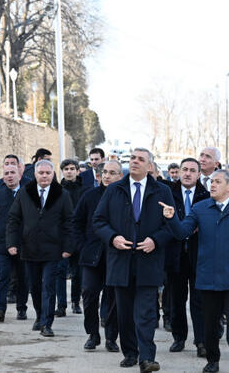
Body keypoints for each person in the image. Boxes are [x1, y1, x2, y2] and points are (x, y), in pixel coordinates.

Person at [93, 147, 179, 372]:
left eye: (141, 159)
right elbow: (99, 221)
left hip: (148, 261)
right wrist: (113, 238)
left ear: (150, 166)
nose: (135, 162)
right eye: (132, 158)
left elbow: (172, 225)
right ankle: (130, 352)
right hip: (120, 261)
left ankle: (147, 358)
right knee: (124, 313)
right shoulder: (114, 190)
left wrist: (156, 241)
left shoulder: (162, 191)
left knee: (146, 313)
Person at [163, 169, 229, 373]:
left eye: (217, 182)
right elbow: (182, 232)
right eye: (211, 182)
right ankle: (212, 361)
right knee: (209, 325)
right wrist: (171, 218)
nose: (211, 185)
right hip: (207, 277)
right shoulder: (199, 208)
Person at [6, 160, 75, 337]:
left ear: (53, 174)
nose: (44, 176)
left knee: (49, 286)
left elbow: (69, 222)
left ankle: (47, 323)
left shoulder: (62, 194)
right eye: (41, 173)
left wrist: (68, 246)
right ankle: (39, 315)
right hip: (30, 248)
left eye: (47, 173)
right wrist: (12, 243)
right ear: (35, 174)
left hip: (53, 249)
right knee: (35, 287)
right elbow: (14, 219)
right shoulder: (25, 193)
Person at [76, 161, 123, 352]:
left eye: (112, 173)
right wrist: (81, 246)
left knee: (113, 299)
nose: (107, 176)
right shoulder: (89, 196)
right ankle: (92, 334)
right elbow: (76, 222)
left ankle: (111, 338)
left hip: (116, 257)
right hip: (91, 256)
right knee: (88, 295)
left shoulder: (124, 197)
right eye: (104, 172)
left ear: (121, 176)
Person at [167, 158, 209, 357]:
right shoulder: (169, 194)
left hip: (199, 255)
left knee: (199, 301)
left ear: (199, 174)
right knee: (176, 298)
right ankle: (179, 337)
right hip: (175, 254)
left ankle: (201, 340)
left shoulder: (206, 196)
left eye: (193, 170)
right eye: (184, 169)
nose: (187, 173)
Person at [0, 163, 29, 322]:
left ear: (19, 175)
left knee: (22, 277)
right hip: (2, 243)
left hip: (23, 244)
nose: (9, 176)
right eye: (6, 173)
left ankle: (21, 308)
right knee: (3, 275)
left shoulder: (28, 195)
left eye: (12, 173)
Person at [56, 158, 89, 316]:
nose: (69, 171)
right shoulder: (56, 189)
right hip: (61, 237)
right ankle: (61, 305)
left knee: (78, 272)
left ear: (77, 170)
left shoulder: (85, 190)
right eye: (66, 169)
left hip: (79, 236)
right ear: (62, 171)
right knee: (60, 271)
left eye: (72, 168)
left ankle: (76, 302)